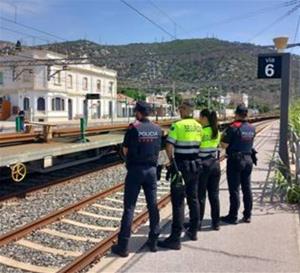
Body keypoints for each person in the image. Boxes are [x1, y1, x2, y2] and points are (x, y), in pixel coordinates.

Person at [111, 101, 162, 257]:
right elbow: (158, 149)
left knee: (129, 207)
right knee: (152, 206)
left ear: (138, 112)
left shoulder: (134, 128)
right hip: (151, 171)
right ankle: (153, 241)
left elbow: (125, 149)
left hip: (135, 171)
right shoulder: (157, 129)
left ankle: (123, 246)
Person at [158, 100, 202, 250]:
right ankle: (194, 230)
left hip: (180, 167)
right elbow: (200, 145)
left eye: (180, 109)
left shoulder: (177, 125)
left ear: (184, 110)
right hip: (195, 166)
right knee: (193, 197)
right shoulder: (198, 126)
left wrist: (171, 161)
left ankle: (175, 238)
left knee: (178, 202)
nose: (179, 111)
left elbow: (169, 145)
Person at [220, 104, 256, 224]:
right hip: (248, 159)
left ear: (236, 114)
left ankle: (233, 216)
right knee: (247, 188)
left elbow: (224, 145)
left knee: (234, 189)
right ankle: (248, 215)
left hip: (235, 160)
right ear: (246, 114)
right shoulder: (251, 128)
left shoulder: (233, 127)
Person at [196, 109, 221, 230]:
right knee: (214, 195)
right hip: (215, 164)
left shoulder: (201, 131)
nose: (199, 119)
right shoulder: (217, 131)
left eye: (200, 117)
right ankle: (216, 223)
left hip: (203, 165)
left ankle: (198, 222)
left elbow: (196, 147)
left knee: (201, 195)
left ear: (205, 118)